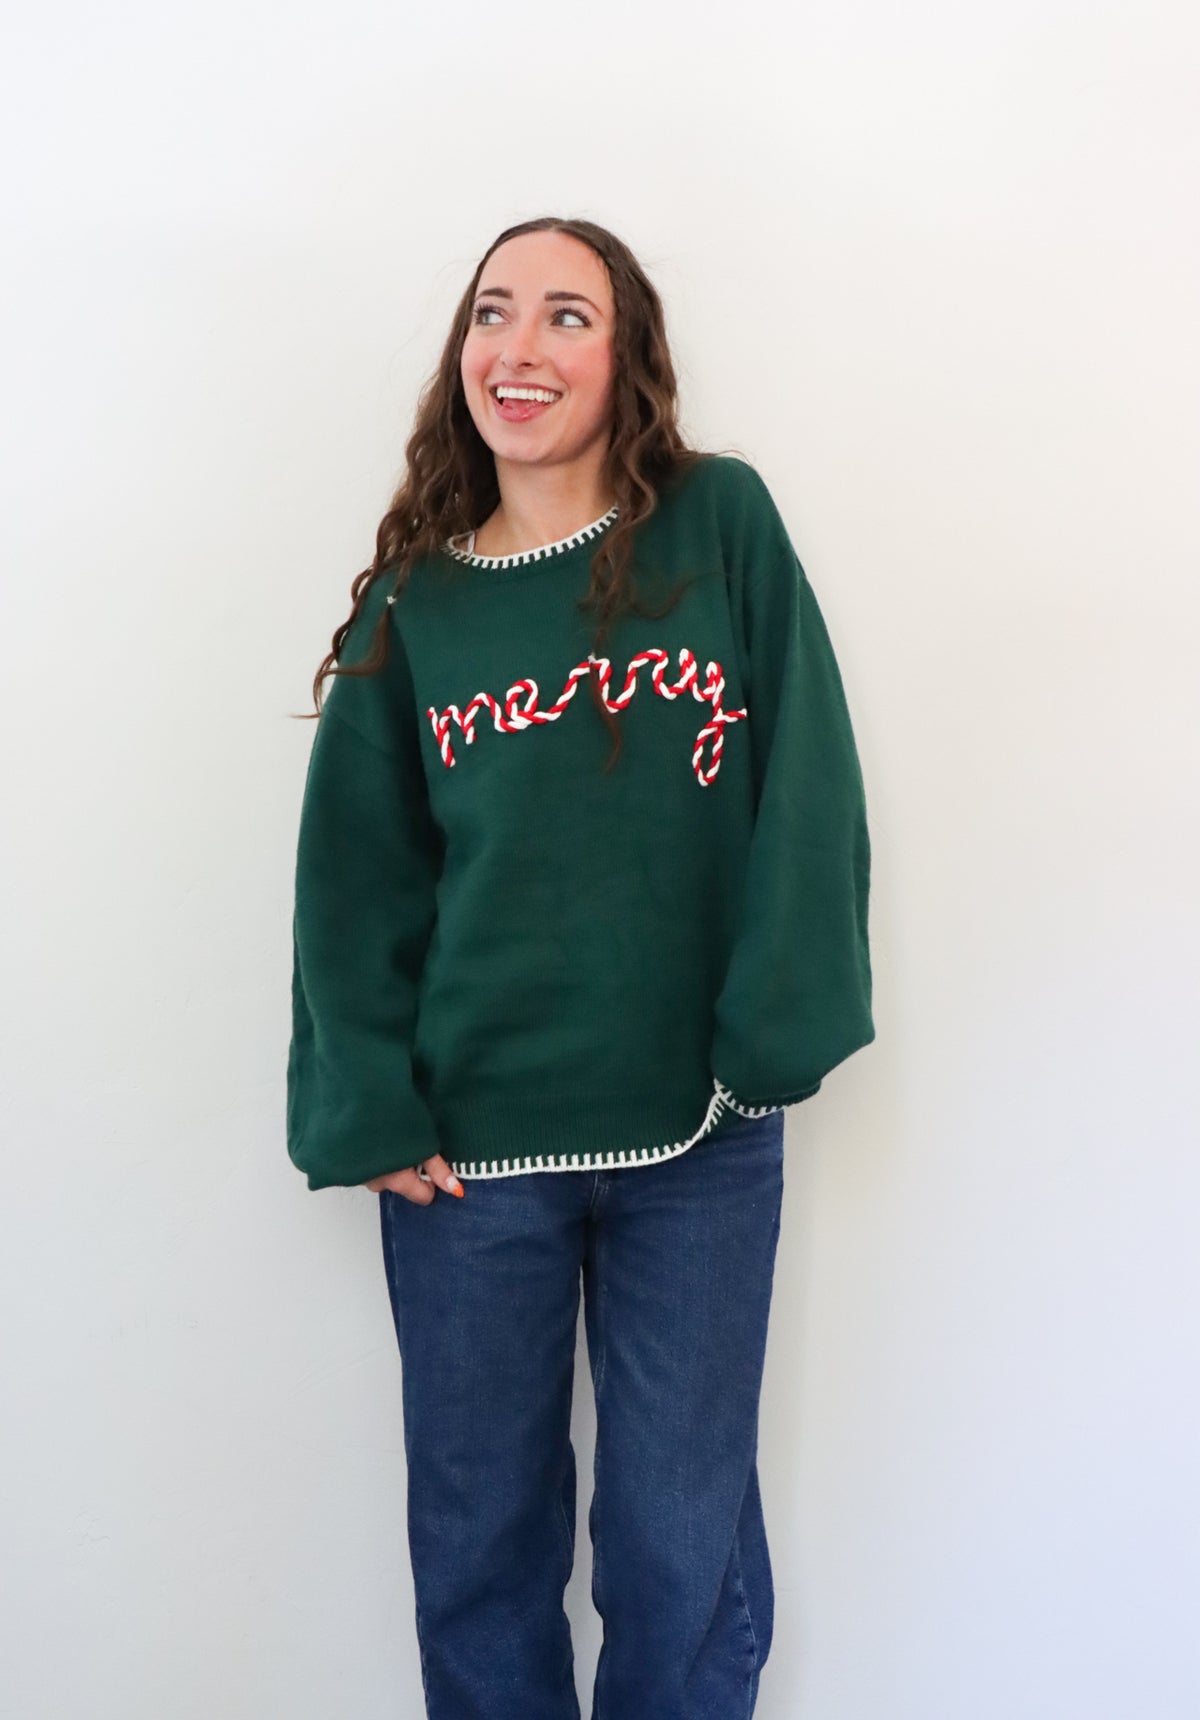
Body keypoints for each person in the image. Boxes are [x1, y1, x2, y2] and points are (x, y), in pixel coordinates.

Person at [285, 215, 875, 1719]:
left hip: (701, 1136)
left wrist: (767, 1042)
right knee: (479, 1551)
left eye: (567, 316)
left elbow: (807, 783)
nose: (521, 349)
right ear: (462, 356)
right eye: (495, 314)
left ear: (628, 358)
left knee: (680, 1554)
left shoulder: (717, 527)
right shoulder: (417, 606)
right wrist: (370, 1107)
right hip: (473, 1166)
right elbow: (355, 881)